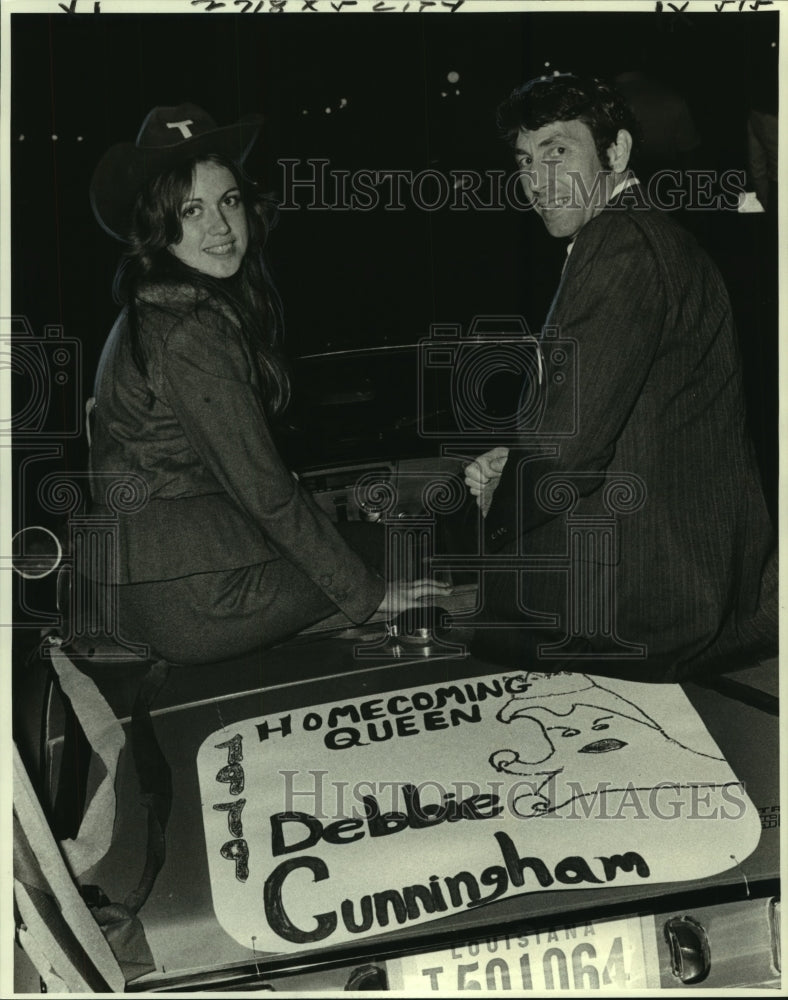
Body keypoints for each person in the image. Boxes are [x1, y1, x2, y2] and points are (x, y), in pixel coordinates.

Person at [86, 103, 449, 665]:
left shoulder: (152, 309)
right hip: (198, 601)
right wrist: (371, 596)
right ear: (160, 226)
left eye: (228, 202)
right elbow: (265, 490)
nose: (221, 227)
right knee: (406, 555)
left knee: (381, 550)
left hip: (153, 583)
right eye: (192, 210)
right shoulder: (189, 330)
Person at [463, 75, 777, 682]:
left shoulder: (619, 246)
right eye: (526, 161)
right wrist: (521, 459)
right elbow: (624, 419)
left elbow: (566, 452)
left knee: (432, 624)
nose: (537, 180)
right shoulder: (650, 231)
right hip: (697, 571)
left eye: (558, 152)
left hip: (650, 606)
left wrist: (494, 506)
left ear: (617, 152)